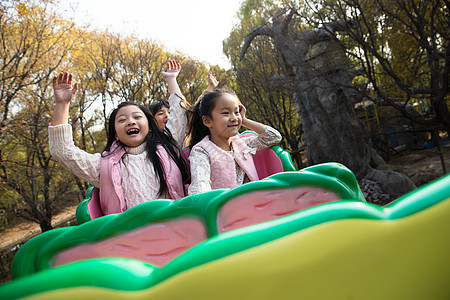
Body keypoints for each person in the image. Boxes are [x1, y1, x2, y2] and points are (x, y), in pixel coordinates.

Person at [49, 67, 189, 215]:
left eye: (137, 117)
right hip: (132, 235)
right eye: (122, 120)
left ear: (149, 126)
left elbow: (179, 114)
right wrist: (62, 105)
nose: (130, 122)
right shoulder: (104, 166)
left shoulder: (168, 146)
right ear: (115, 134)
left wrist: (171, 79)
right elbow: (62, 151)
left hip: (177, 227)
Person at [186, 89, 282, 195]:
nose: (234, 118)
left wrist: (244, 120)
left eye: (236, 112)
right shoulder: (202, 151)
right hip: (224, 207)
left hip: (254, 202)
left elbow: (274, 137)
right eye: (226, 113)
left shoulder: (242, 144)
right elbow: (200, 188)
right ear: (207, 121)